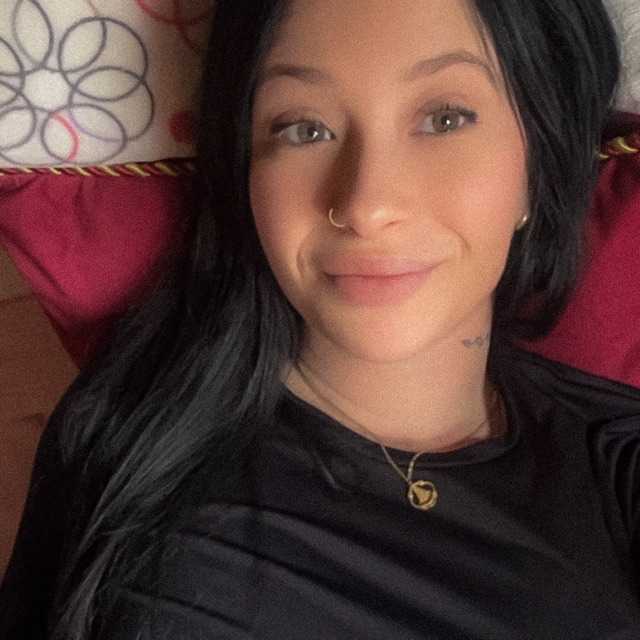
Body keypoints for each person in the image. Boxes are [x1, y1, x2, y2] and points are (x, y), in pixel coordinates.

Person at [1, 0, 639, 637]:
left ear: (538, 162)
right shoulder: (149, 485)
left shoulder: (611, 443)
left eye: (444, 119)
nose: (366, 205)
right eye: (304, 129)